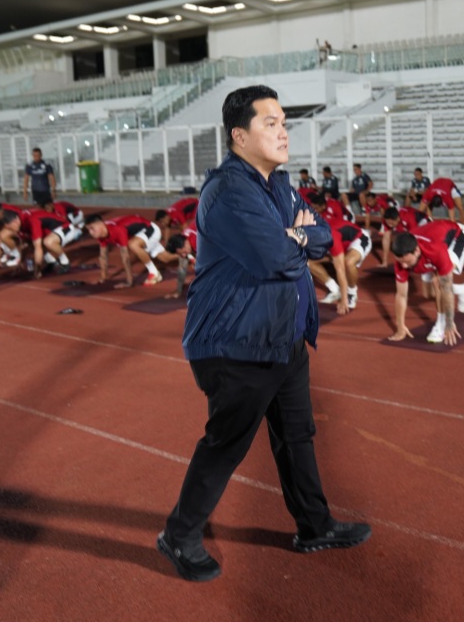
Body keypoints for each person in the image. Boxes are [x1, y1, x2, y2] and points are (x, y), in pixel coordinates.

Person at [158, 85, 370, 583]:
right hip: (238, 341)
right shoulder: (228, 191)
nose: (283, 132)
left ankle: (314, 526)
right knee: (227, 443)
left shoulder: (280, 186)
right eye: (270, 123)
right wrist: (295, 237)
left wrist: (297, 234)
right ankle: (180, 535)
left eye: (284, 123)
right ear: (239, 136)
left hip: (284, 337)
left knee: (298, 436)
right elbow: (276, 257)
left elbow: (324, 236)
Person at [388, 219, 464, 345]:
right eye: (401, 262)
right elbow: (401, 295)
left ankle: (440, 324)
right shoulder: (402, 259)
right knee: (428, 294)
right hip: (435, 240)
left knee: (438, 282)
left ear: (416, 251)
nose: (404, 266)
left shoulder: (436, 251)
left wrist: (449, 322)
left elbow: (446, 288)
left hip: (457, 238)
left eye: (407, 262)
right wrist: (400, 327)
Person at [308, 215, 372, 313]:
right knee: (307, 261)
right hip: (339, 244)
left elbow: (340, 270)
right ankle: (334, 289)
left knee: (348, 263)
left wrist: (344, 300)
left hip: (359, 239)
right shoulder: (310, 231)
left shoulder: (331, 236)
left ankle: (351, 293)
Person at [85, 214, 166, 287]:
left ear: (101, 224)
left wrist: (129, 282)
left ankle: (154, 273)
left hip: (151, 230)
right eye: (88, 229)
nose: (91, 232)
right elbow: (103, 257)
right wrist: (103, 279)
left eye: (92, 228)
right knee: (166, 258)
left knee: (133, 245)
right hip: (139, 234)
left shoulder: (117, 230)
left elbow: (125, 257)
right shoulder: (101, 234)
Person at [20, 207, 82, 278]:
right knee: (33, 243)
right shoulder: (22, 223)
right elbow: (26, 245)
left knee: (47, 242)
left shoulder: (32, 220)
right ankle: (51, 262)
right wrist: (21, 261)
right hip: (54, 232)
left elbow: (38, 247)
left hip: (66, 228)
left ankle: (65, 262)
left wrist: (38, 269)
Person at [160, 222, 197, 300]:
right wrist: (178, 290)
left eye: (183, 252)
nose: (183, 255)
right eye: (180, 254)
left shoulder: (197, 242)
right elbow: (182, 268)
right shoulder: (182, 240)